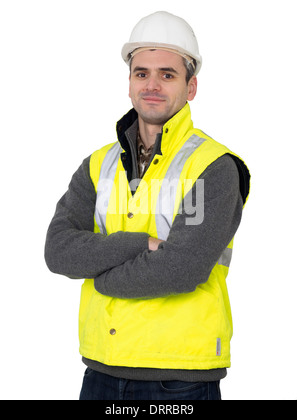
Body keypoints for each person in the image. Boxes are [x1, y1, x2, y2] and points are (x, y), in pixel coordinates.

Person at [45, 11, 250, 401]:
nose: (152, 85)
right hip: (100, 370)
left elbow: (179, 269)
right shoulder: (97, 165)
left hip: (180, 380)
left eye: (167, 75)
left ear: (191, 87)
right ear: (129, 83)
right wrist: (142, 244)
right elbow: (58, 252)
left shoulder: (214, 167)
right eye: (141, 73)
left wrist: (99, 278)